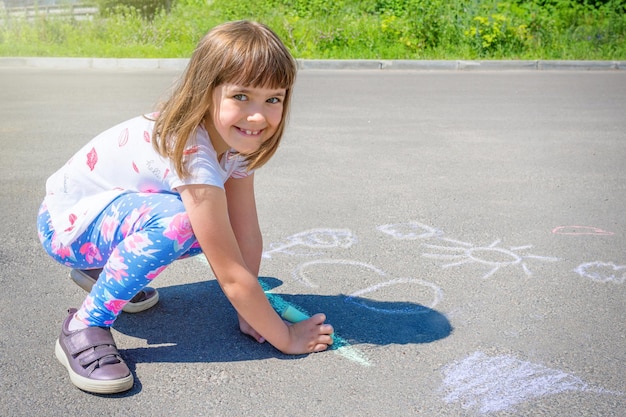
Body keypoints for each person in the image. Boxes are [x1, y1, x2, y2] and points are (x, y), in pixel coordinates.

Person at [37, 20, 334, 395]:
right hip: (64, 227)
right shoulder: (191, 150)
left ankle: (104, 271)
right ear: (205, 90)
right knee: (186, 223)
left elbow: (245, 234)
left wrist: (250, 311)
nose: (258, 116)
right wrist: (285, 337)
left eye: (272, 99)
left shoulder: (237, 144)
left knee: (210, 224)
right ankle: (83, 325)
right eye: (241, 96)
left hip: (102, 217)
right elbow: (228, 272)